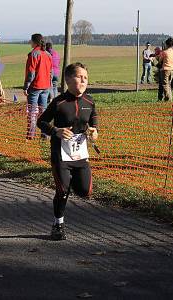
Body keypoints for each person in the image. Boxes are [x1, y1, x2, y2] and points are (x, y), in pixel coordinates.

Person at [37, 62, 98, 241]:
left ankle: (68, 182)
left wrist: (93, 133)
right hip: (60, 155)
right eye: (80, 77)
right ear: (68, 80)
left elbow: (95, 131)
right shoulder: (59, 102)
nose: (84, 80)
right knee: (62, 190)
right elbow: (41, 122)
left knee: (85, 191)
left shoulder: (90, 102)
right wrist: (56, 130)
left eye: (86, 77)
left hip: (80, 155)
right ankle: (58, 224)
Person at [23, 33, 52, 140]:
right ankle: (44, 134)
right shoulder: (48, 54)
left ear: (34, 42)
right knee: (43, 112)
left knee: (32, 111)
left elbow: (31, 72)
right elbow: (50, 72)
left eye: (31, 40)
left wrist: (26, 86)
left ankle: (31, 134)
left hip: (35, 86)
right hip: (46, 86)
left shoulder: (33, 54)